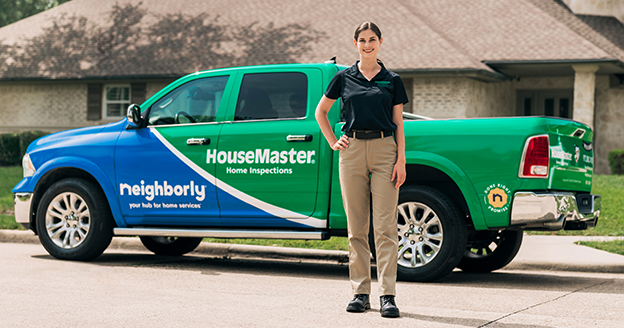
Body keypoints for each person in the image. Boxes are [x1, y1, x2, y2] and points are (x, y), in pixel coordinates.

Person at [315, 21, 408, 318]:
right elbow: (321, 112)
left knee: (384, 227)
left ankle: (388, 296)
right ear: (354, 43)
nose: (367, 44)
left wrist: (401, 159)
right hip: (352, 151)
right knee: (356, 227)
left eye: (372, 40)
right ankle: (360, 292)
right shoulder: (343, 78)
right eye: (362, 40)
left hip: (384, 151)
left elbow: (399, 124)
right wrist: (333, 141)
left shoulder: (392, 80)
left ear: (381, 42)